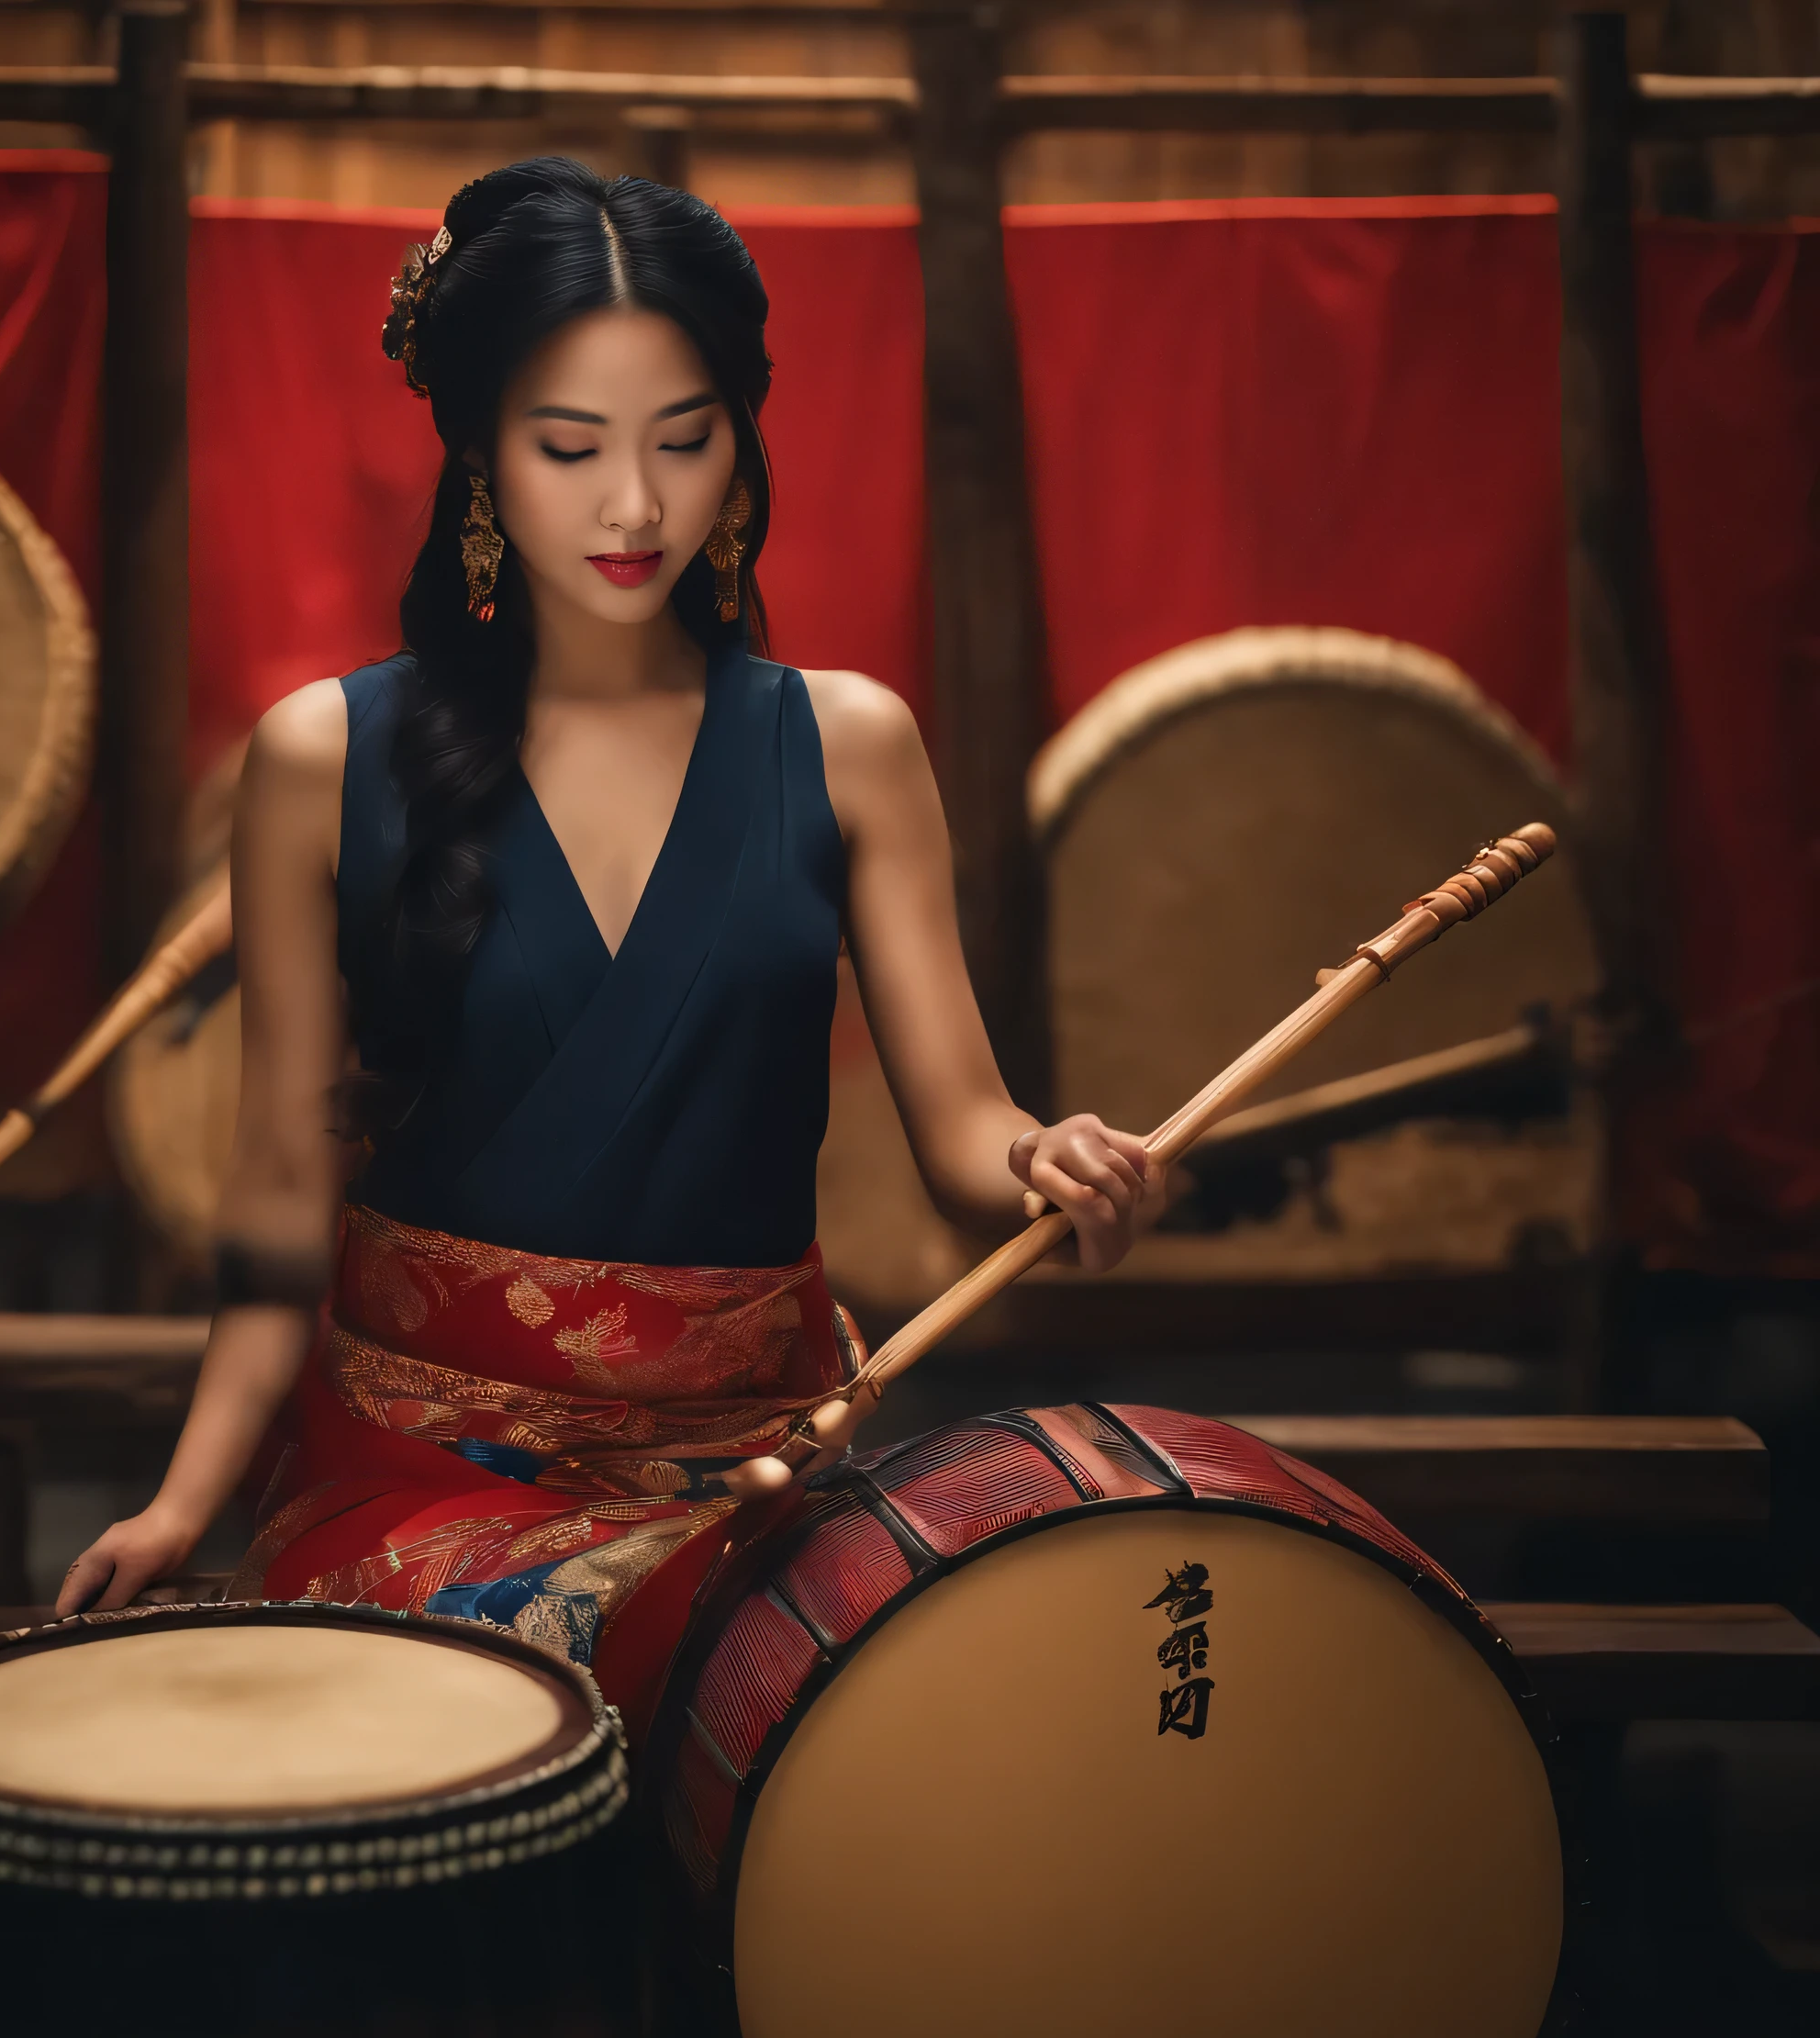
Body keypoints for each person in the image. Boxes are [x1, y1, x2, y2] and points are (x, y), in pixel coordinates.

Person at [57, 158, 1156, 1719]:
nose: (637, 505)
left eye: (686, 441)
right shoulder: (323, 757)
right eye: (570, 447)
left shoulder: (847, 746)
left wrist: (1049, 1160)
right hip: (420, 1484)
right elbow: (280, 1198)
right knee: (621, 1681)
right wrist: (182, 1506)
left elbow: (965, 1128)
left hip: (754, 1484)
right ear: (481, 452)